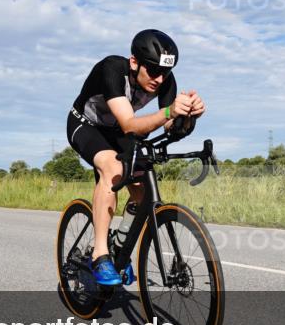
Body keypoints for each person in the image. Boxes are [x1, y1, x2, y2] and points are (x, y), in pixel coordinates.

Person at [67, 29, 205, 286]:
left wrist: (188, 116)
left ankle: (120, 246)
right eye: (152, 71)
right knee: (113, 168)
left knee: (141, 188)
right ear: (134, 62)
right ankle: (100, 254)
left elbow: (171, 128)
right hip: (86, 125)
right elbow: (131, 124)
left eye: (164, 73)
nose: (159, 79)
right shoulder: (112, 69)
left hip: (118, 132)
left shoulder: (164, 80)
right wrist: (169, 111)